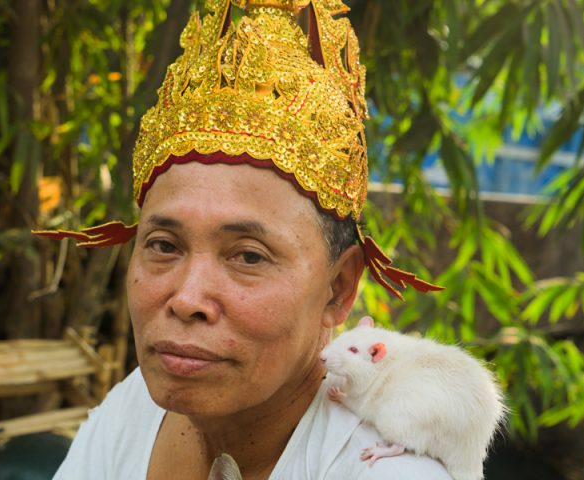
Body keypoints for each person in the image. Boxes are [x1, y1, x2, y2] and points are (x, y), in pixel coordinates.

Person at [40, 0, 448, 478]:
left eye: (249, 257)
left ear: (337, 289)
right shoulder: (133, 411)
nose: (187, 299)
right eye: (164, 245)